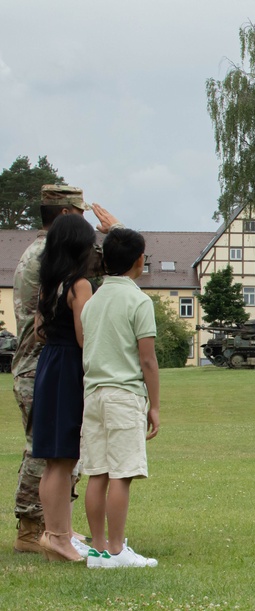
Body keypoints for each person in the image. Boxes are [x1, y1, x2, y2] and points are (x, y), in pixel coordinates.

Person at [11, 185, 120, 555]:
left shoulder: (44, 261)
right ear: (65, 217)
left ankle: (58, 528)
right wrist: (117, 232)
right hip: (52, 363)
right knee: (50, 454)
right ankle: (38, 528)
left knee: (53, 454)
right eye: (81, 216)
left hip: (41, 362)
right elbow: (124, 265)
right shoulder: (64, 266)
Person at [79, 227, 159, 568]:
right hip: (124, 394)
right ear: (140, 261)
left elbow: (86, 345)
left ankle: (97, 550)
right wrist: (154, 405)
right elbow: (147, 360)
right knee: (120, 474)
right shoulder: (139, 301)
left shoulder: (92, 301)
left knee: (97, 472)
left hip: (93, 394)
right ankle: (115, 549)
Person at [32, 213, 99, 561]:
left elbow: (38, 331)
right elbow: (84, 337)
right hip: (68, 369)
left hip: (48, 365)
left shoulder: (48, 284)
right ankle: (57, 538)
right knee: (63, 459)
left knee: (53, 459)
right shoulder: (80, 285)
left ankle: (61, 531)